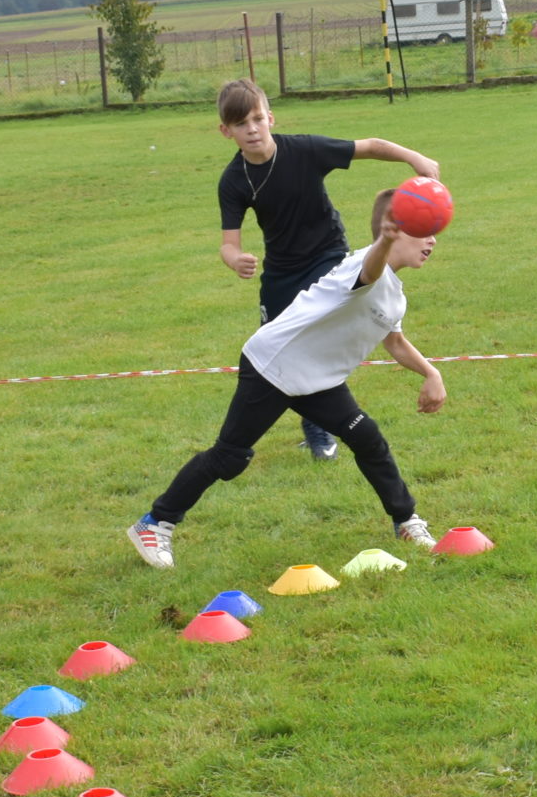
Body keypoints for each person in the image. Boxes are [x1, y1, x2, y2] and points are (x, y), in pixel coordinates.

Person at [129, 189, 445, 571]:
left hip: (317, 380)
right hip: (273, 366)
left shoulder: (395, 294)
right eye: (424, 231)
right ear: (391, 229)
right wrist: (385, 241)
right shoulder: (363, 264)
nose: (432, 240)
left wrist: (431, 372)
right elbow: (370, 271)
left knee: (368, 438)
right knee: (230, 456)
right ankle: (154, 523)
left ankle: (406, 521)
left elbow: (393, 341)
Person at [212, 77, 438, 460]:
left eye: (256, 119)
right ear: (226, 131)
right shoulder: (233, 180)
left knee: (324, 342)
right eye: (240, 124)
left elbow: (369, 147)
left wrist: (413, 158)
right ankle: (240, 440)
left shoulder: (304, 150)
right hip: (282, 272)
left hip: (328, 258)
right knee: (274, 352)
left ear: (270, 117)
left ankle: (320, 431)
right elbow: (228, 243)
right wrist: (236, 260)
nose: (251, 129)